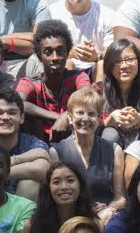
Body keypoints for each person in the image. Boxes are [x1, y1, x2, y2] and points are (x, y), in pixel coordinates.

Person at [50, 88, 126, 224]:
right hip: (69, 219)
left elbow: (120, 198)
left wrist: (107, 210)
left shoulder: (114, 150)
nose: (85, 119)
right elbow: (55, 196)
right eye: (80, 113)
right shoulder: (57, 151)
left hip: (105, 219)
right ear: (70, 118)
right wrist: (85, 212)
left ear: (99, 119)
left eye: (91, 114)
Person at [17, 20, 92, 141]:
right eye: (48, 52)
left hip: (73, 141)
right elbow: (17, 102)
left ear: (67, 53)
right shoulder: (30, 82)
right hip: (36, 142)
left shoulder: (78, 77)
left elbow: (88, 97)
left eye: (60, 51)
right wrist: (60, 117)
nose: (55, 57)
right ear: (40, 56)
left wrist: (67, 116)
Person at [49, 0, 116, 76]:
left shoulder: (108, 15)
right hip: (64, 68)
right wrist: (68, 53)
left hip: (95, 69)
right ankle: (65, 93)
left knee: (101, 64)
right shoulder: (51, 14)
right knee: (67, 63)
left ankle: (98, 92)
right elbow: (44, 49)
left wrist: (97, 56)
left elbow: (113, 51)